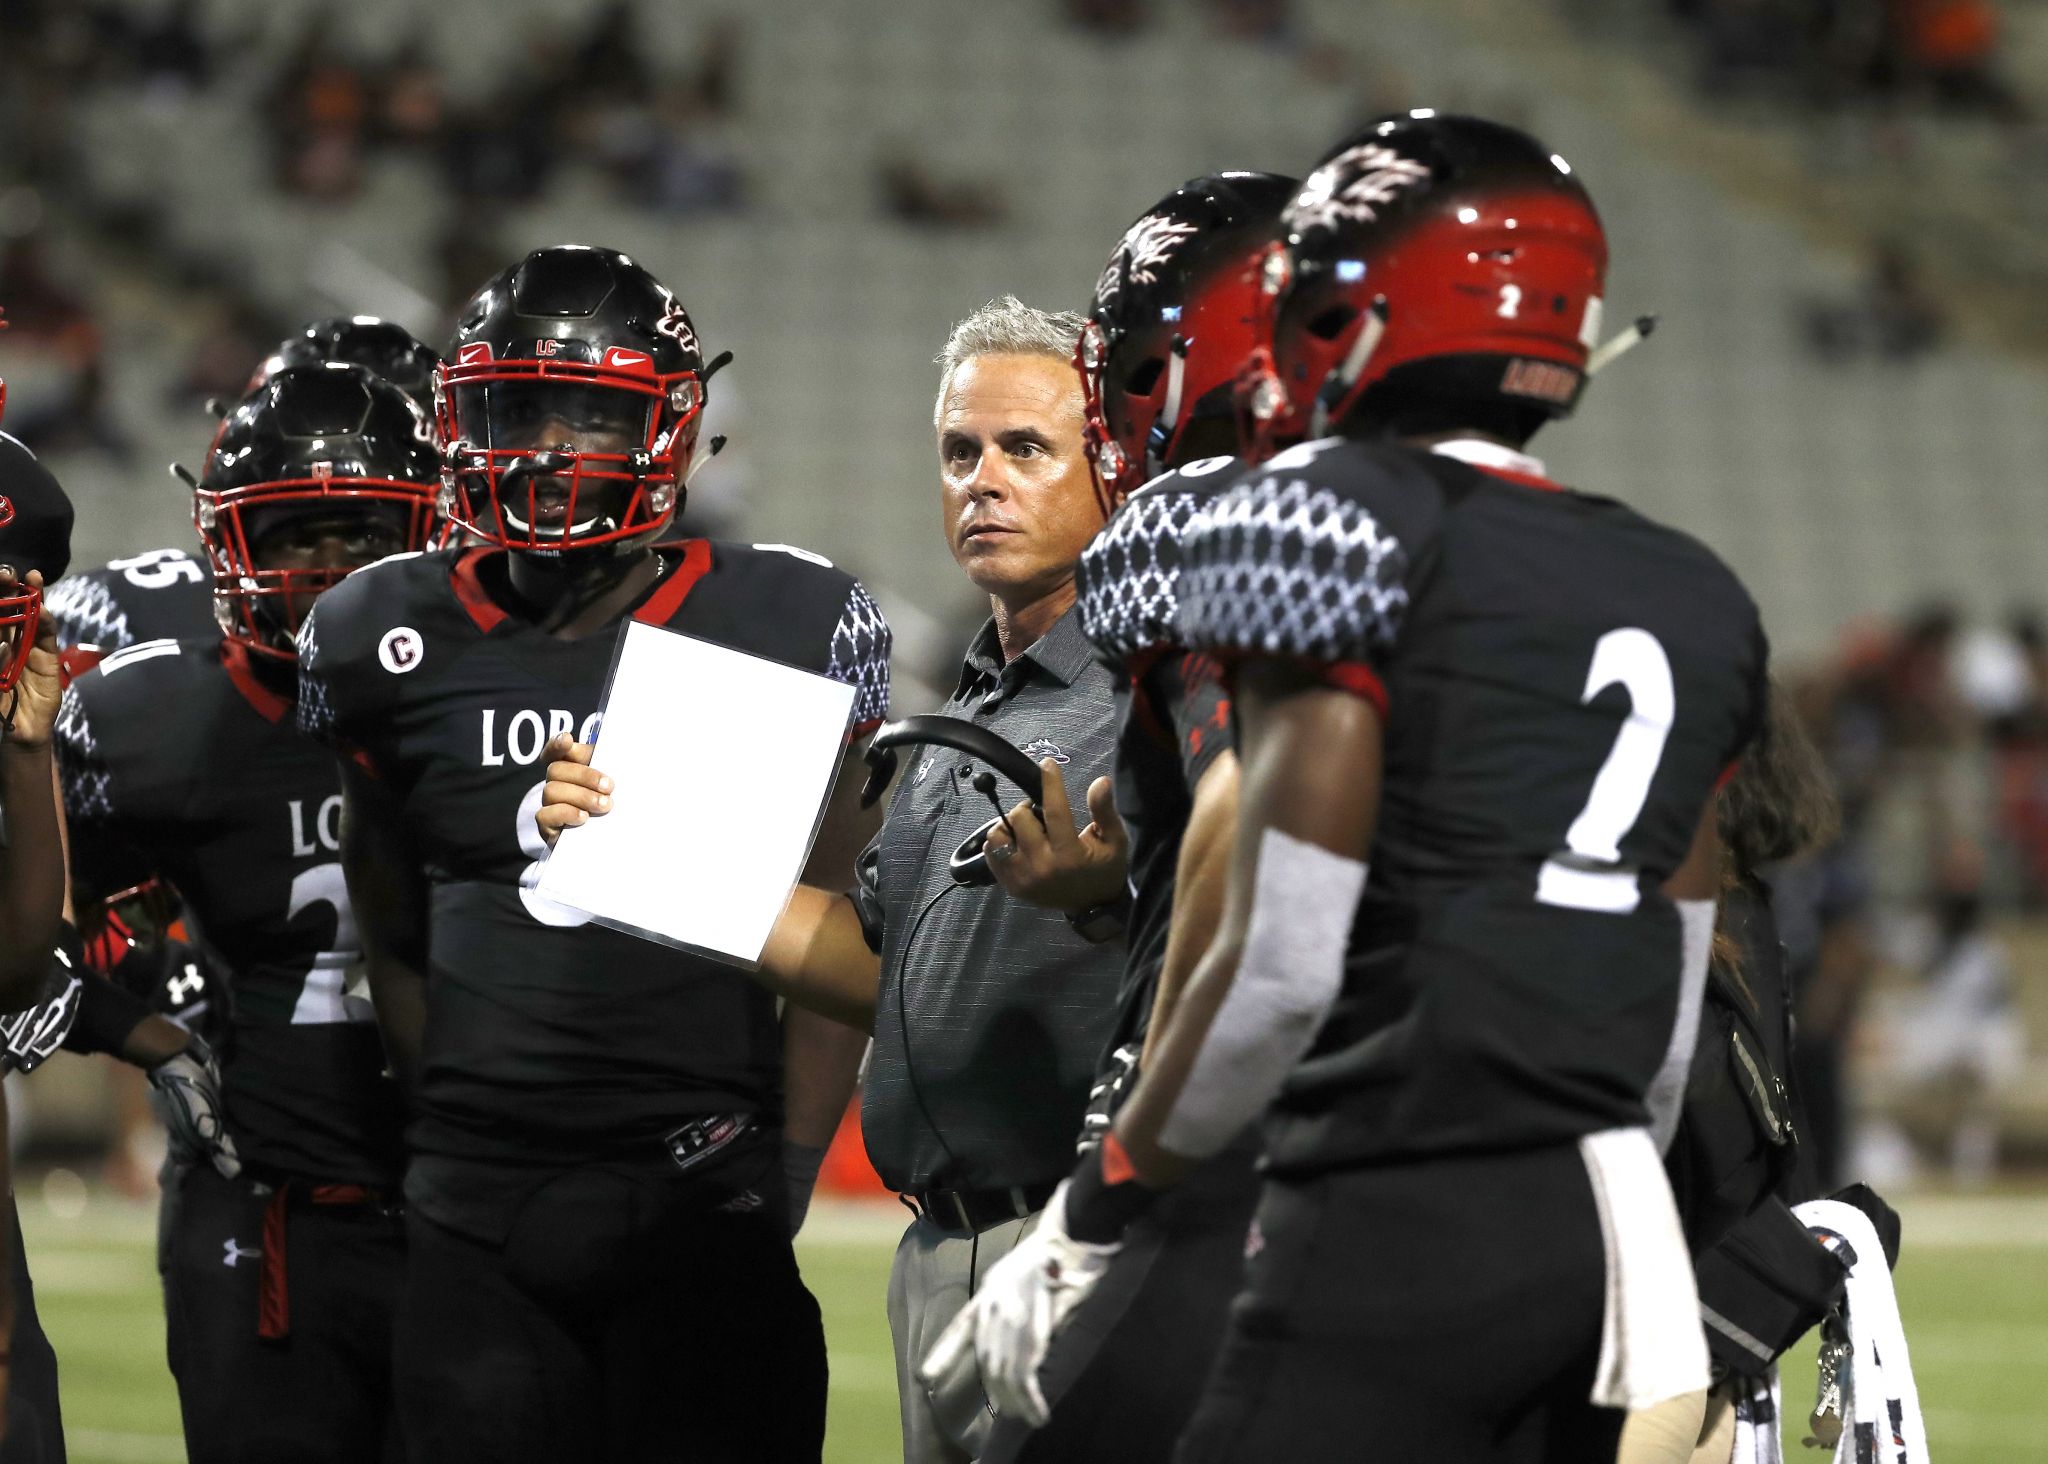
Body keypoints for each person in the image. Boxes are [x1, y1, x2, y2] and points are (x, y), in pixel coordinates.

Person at [940, 113, 1770, 1462]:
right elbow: (1667, 1004)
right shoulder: (1687, 587)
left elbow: (1270, 941)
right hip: (1595, 1212)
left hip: (1363, 1187)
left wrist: (1098, 1205)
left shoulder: (1301, 519)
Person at [299, 245, 886, 1464]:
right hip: (473, 1211)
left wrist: (781, 1168)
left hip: (698, 1188)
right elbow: (390, 930)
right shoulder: (374, 626)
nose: (552, 451)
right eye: (519, 410)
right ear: (459, 418)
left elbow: (841, 938)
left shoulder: (785, 621)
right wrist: (452, 1140)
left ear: (668, 430)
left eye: (593, 416)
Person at [537, 295, 1131, 1464]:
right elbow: (879, 965)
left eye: (1025, 448)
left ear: (1111, 464)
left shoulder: (1151, 696)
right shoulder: (967, 702)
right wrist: (627, 837)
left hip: (1086, 1233)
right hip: (938, 1251)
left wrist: (1104, 903)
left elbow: (1236, 948)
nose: (982, 481)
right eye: (959, 451)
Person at [967, 171, 1298, 1464]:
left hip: (1238, 1142)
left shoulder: (1190, 527)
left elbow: (1243, 820)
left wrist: (1112, 1178)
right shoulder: (1472, 536)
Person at [55, 362, 440, 1462]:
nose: (324, 571)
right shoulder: (150, 717)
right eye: (291, 536)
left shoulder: (492, 693)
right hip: (266, 1209)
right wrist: (136, 1022)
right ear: (224, 545)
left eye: (359, 535)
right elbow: (34, 931)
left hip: (468, 1203)